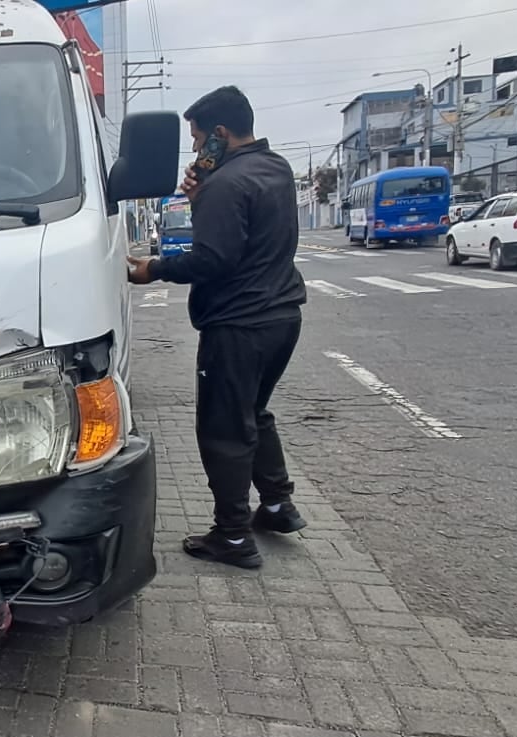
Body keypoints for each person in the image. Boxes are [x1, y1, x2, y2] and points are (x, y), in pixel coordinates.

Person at [127, 86, 308, 570]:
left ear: (220, 135)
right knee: (254, 412)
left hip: (239, 325)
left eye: (198, 139)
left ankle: (232, 536)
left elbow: (214, 259)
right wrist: (203, 188)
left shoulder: (227, 185)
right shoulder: (275, 168)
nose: (193, 149)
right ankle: (277, 505)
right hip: (282, 317)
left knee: (224, 429)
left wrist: (154, 269)